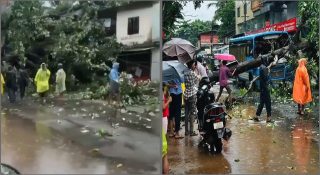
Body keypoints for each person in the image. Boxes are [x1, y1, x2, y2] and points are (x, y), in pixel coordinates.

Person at [252, 58, 272, 122]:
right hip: (265, 88)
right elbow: (266, 79)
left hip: (262, 88)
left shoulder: (261, 67)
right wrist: (268, 72)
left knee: (262, 103)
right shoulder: (264, 68)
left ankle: (256, 116)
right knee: (268, 102)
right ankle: (269, 118)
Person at [184, 60, 198, 136]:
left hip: (186, 94)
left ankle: (186, 131)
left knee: (186, 113)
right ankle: (191, 131)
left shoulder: (184, 72)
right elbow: (197, 80)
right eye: (193, 64)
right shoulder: (192, 73)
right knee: (192, 113)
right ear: (191, 64)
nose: (194, 65)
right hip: (192, 94)